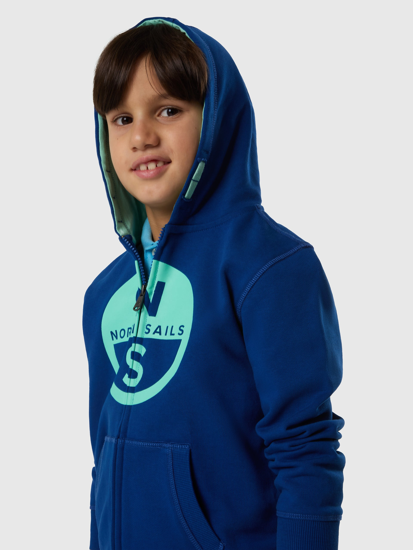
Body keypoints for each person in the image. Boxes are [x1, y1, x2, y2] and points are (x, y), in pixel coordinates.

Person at [83, 16, 346, 550]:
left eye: (168, 110)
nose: (142, 136)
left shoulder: (270, 266)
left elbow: (305, 451)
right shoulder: (104, 293)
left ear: (216, 118)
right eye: (121, 118)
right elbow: (104, 458)